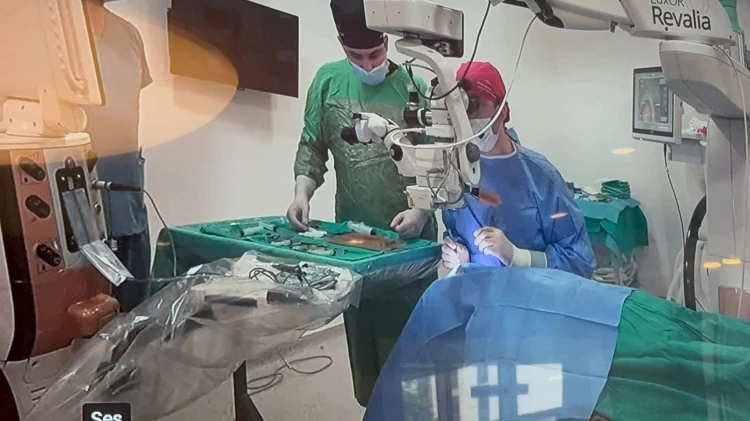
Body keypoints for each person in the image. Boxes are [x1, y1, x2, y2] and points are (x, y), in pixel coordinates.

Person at [286, 0, 436, 241]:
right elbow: (312, 148)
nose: (367, 65)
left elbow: (435, 163)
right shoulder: (328, 82)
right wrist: (301, 195)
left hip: (409, 234)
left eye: (374, 54)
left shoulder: (413, 88)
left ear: (385, 42)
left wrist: (420, 213)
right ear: (341, 44)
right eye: (355, 56)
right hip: (351, 232)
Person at [441, 62, 595, 278]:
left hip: (530, 295)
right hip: (477, 293)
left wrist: (518, 257)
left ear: (502, 111)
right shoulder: (456, 172)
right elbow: (455, 229)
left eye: (474, 105)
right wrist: (459, 255)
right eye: (460, 109)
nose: (468, 118)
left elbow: (579, 260)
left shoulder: (540, 177)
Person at [83, 0, 153, 311]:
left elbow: (129, 107)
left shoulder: (128, 34)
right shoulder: (39, 30)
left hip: (124, 185)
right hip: (69, 190)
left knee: (133, 303)